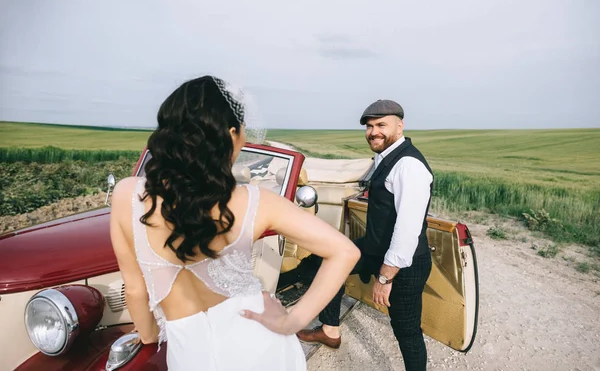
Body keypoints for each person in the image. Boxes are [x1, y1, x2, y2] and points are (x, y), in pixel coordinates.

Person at [109, 76, 360, 371]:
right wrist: (292, 320)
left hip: (188, 356)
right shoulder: (256, 201)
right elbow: (346, 252)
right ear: (230, 134)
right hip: (259, 349)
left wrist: (150, 336)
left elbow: (136, 289)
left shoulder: (126, 194)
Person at [292, 99, 434, 371]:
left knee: (406, 331)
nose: (373, 132)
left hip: (403, 264)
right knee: (330, 264)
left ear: (400, 125)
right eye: (369, 127)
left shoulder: (409, 166)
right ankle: (330, 330)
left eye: (381, 125)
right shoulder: (384, 159)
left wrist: (384, 277)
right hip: (374, 248)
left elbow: (407, 230)